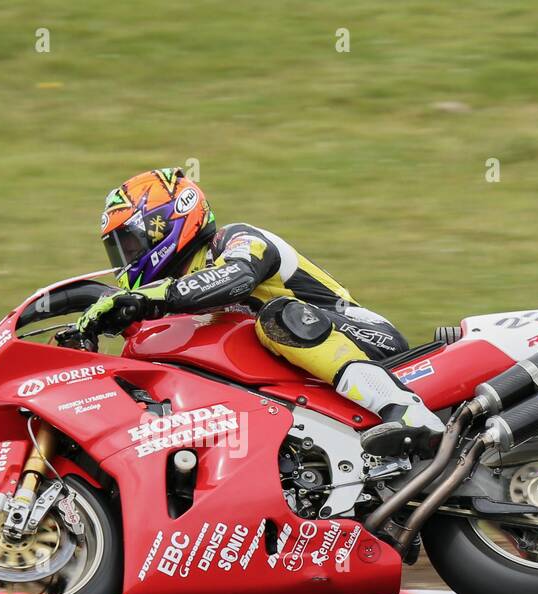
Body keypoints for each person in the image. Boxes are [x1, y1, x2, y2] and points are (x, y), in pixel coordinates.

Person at [77, 168, 445, 455]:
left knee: (276, 317)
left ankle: (404, 409)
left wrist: (144, 299)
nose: (124, 260)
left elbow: (235, 278)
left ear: (169, 222)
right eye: (117, 250)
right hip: (307, 373)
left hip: (365, 337)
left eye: (129, 243)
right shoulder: (178, 292)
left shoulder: (236, 239)